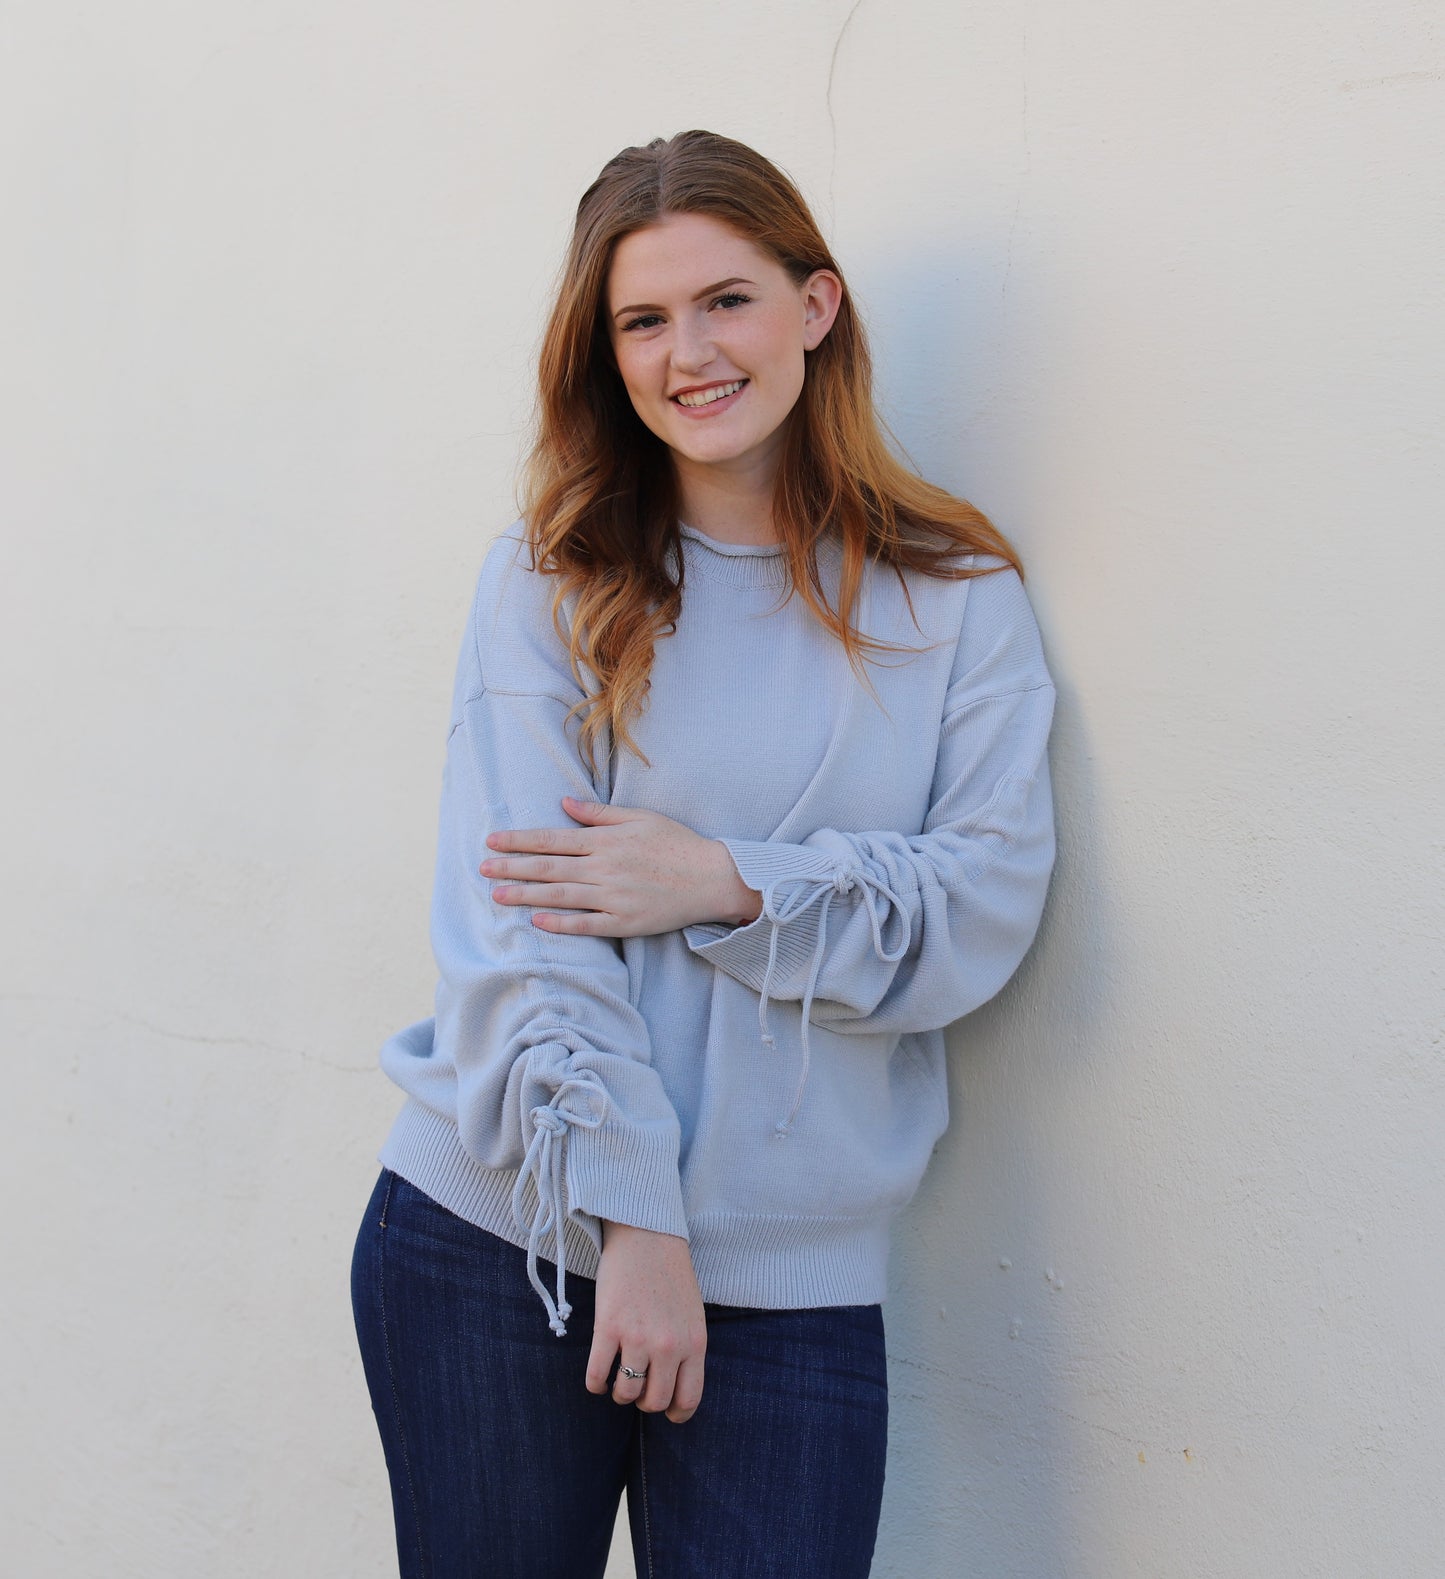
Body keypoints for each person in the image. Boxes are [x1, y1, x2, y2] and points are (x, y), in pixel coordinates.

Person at [350, 129, 1056, 1579]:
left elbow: (983, 902)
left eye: (727, 299)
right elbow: (528, 928)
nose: (690, 354)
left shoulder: (957, 596)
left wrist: (727, 882)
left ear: (816, 305)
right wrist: (636, 1222)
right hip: (508, 1241)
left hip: (791, 1278)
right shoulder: (550, 581)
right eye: (643, 320)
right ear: (605, 353)